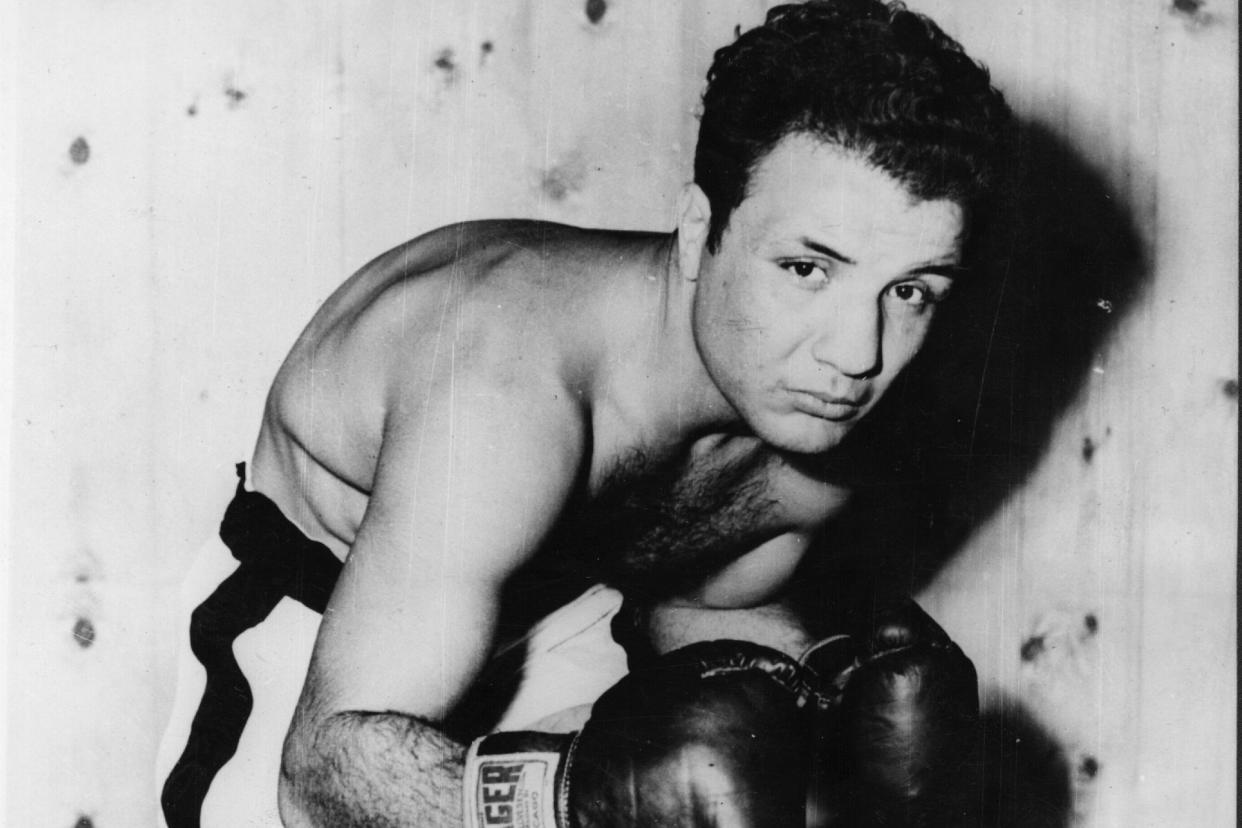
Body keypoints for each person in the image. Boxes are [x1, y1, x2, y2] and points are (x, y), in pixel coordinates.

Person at [156, 1, 1011, 825]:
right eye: (806, 269)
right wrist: (579, 805)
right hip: (330, 627)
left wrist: (821, 695)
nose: (857, 352)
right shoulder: (506, 385)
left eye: (909, 290)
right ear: (696, 229)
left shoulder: (831, 429)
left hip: (565, 609)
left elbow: (704, 609)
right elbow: (319, 777)